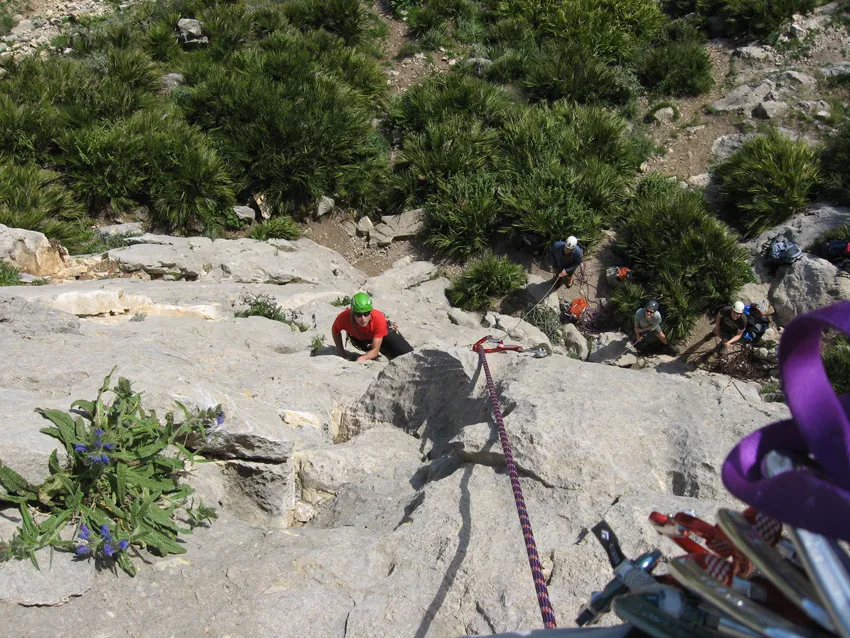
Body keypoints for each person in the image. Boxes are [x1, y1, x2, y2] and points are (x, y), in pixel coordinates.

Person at [332, 292, 413, 362]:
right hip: (362, 340)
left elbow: (375, 351)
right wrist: (342, 353)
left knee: (407, 355)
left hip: (385, 335)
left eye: (366, 313)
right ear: (353, 313)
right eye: (359, 314)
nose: (363, 318)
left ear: (370, 312)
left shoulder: (378, 319)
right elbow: (335, 330)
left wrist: (362, 358)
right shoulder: (344, 318)